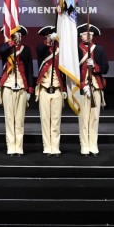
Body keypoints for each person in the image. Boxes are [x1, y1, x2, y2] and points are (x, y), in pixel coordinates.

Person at [0, 26, 34, 157]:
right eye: (14, 34)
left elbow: (29, 69)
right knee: (9, 118)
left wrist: (30, 88)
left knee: (19, 119)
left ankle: (19, 146)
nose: (17, 36)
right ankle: (11, 146)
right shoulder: (5, 47)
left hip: (22, 86)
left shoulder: (26, 49)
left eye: (19, 34)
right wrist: (11, 42)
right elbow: (1, 51)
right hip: (8, 85)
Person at [76, 23, 109, 157]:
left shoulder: (99, 49)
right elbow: (73, 70)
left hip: (96, 87)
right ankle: (84, 146)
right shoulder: (76, 50)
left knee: (94, 118)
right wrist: (82, 84)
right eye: (85, 34)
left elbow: (105, 68)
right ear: (80, 36)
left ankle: (93, 145)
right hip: (82, 88)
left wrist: (94, 66)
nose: (88, 36)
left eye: (90, 34)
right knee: (84, 118)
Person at [35, 25, 65, 157]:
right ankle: (47, 147)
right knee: (45, 119)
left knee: (56, 119)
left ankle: (55, 146)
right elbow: (40, 51)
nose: (51, 38)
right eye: (48, 36)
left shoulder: (61, 51)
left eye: (52, 36)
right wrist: (48, 42)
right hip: (44, 88)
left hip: (57, 88)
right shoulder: (42, 48)